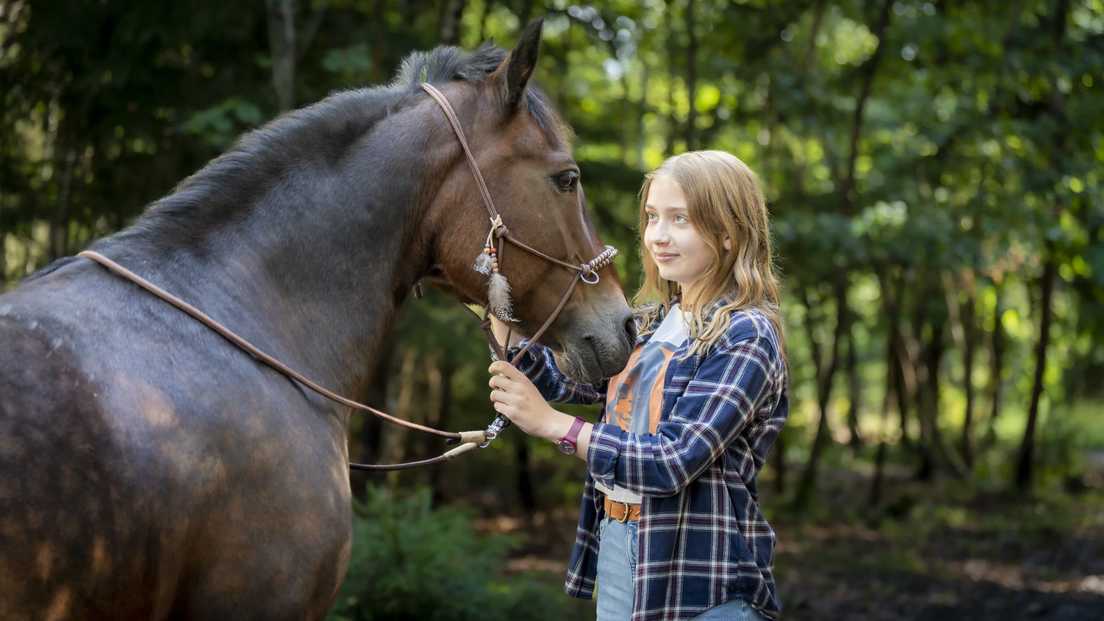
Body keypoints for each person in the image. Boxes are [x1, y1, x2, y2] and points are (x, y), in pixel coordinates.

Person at [488, 150, 788, 621]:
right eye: (652, 217)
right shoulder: (651, 325)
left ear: (729, 233)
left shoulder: (746, 334)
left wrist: (555, 427)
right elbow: (563, 378)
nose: (658, 237)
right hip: (618, 544)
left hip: (699, 569)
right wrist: (498, 309)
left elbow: (674, 459)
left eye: (680, 219)